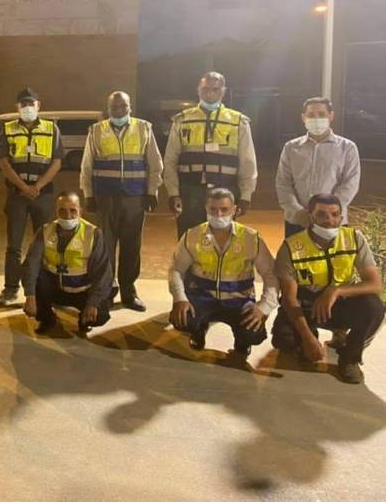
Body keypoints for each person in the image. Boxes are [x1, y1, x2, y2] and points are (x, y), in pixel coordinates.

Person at [271, 194, 384, 384]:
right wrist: (307, 338)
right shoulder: (291, 246)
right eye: (322, 214)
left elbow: (375, 284)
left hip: (339, 303)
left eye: (334, 214)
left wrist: (336, 291)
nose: (329, 220)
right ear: (310, 216)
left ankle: (350, 358)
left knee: (374, 307)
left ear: (341, 217)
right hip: (306, 304)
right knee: (285, 341)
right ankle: (308, 339)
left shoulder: (354, 238)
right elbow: (289, 299)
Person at [167, 187, 278, 357]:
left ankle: (242, 341)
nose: (218, 215)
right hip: (202, 297)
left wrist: (264, 307)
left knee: (253, 333)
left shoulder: (251, 238)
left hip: (238, 300)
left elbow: (270, 274)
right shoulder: (192, 236)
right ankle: (199, 328)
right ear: (206, 208)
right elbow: (176, 270)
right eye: (213, 209)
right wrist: (180, 299)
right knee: (182, 319)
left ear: (234, 210)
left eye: (224, 209)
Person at [80, 90, 163, 311]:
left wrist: (152, 191)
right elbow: (87, 166)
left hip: (135, 198)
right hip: (105, 198)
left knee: (131, 246)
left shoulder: (144, 128)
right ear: (108, 109)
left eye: (123, 106)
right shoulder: (96, 131)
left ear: (130, 107)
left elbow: (155, 163)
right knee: (105, 247)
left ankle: (128, 291)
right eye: (114, 107)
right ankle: (106, 291)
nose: (119, 110)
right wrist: (88, 194)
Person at [0, 87, 63, 308]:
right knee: (14, 246)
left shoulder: (51, 129)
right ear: (17, 107)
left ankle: (44, 288)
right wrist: (23, 186)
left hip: (43, 195)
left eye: (31, 103)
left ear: (38, 105)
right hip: (17, 195)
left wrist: (37, 187)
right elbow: (4, 162)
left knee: (45, 244)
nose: (27, 107)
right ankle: (10, 289)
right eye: (23, 104)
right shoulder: (8, 129)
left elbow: (57, 162)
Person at [163, 71, 257, 237]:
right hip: (190, 192)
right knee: (189, 240)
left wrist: (245, 195)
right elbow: (170, 159)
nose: (210, 93)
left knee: (223, 240)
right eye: (206, 88)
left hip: (226, 191)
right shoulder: (183, 120)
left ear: (224, 91)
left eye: (216, 89)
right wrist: (173, 192)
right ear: (198, 89)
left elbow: (248, 162)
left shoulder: (238, 122)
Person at [21, 192, 114, 336]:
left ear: (81, 211)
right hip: (56, 288)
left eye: (73, 210)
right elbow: (30, 265)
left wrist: (93, 303)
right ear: (55, 211)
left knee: (100, 315)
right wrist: (30, 296)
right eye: (62, 211)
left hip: (83, 291)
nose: (67, 215)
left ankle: (84, 320)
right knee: (35, 278)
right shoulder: (45, 231)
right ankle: (47, 319)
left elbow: (103, 273)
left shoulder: (93, 234)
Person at [275, 97, 360, 238]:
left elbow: (350, 184)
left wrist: (328, 212)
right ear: (303, 118)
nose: (316, 119)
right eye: (311, 115)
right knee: (295, 252)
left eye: (321, 114)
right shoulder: (291, 148)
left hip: (333, 221)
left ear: (331, 116)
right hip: (298, 220)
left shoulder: (347, 148)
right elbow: (283, 183)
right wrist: (297, 211)